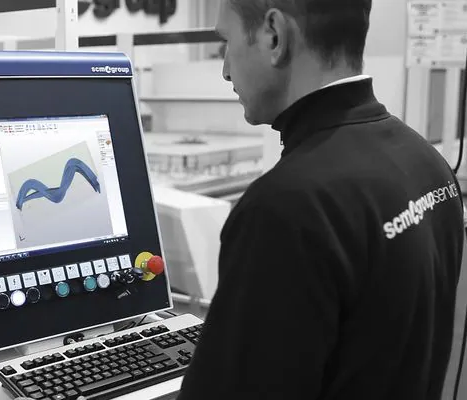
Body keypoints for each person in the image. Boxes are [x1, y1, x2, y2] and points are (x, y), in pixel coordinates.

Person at [177, 1, 465, 399]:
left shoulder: (286, 210)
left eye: (227, 41)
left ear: (274, 35)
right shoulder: (426, 162)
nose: (226, 69)